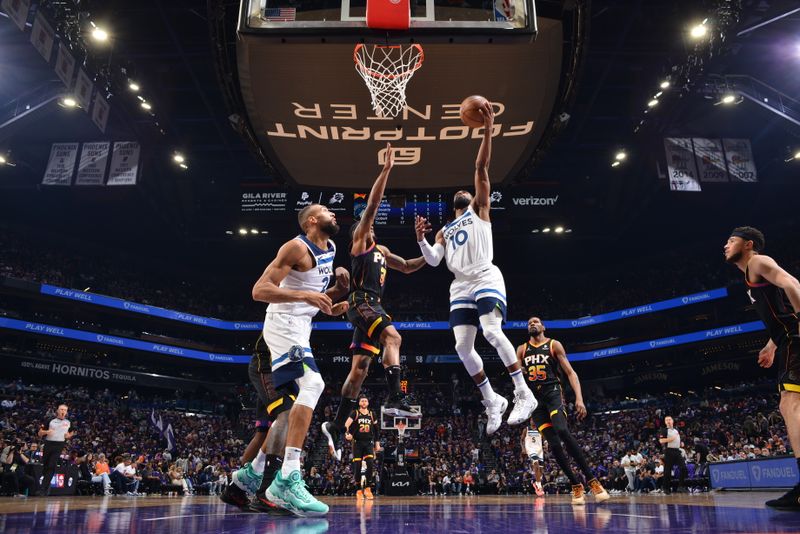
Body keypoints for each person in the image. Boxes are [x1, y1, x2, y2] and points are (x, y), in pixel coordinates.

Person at [415, 101, 537, 436]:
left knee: (492, 331)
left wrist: (487, 127)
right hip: (459, 285)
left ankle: (522, 393)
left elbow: (482, 166)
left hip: (485, 274)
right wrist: (422, 240)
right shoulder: (443, 230)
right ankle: (491, 400)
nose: (463, 190)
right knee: (461, 348)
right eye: (459, 193)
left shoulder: (480, 210)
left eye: (466, 191)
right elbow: (434, 260)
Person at [323, 143, 425, 460]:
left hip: (370, 306)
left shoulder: (381, 252)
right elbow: (372, 206)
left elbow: (408, 266)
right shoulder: (360, 246)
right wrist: (386, 170)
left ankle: (337, 425)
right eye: (367, 227)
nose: (371, 228)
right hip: (362, 302)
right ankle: (396, 395)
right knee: (393, 335)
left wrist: (434, 249)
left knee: (359, 371)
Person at [251, 201, 350, 516]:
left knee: (296, 401)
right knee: (314, 383)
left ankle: (250, 474)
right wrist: (303, 296)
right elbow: (259, 290)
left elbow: (314, 294)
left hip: (301, 327)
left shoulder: (331, 247)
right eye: (325, 211)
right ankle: (289, 476)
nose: (333, 213)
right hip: (282, 323)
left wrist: (336, 293)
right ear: (311, 220)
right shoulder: (295, 247)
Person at [724, 226, 800, 509]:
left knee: (790, 404)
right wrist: (771, 344)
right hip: (787, 340)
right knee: (789, 405)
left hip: (796, 339)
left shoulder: (758, 261)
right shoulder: (749, 276)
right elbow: (782, 311)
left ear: (748, 244)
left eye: (731, 241)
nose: (725, 245)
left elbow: (793, 284)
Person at [517, 317, 610, 505]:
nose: (532, 324)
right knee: (553, 444)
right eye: (529, 323)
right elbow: (515, 373)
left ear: (543, 327)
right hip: (535, 401)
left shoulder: (553, 344)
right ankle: (576, 484)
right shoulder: (521, 349)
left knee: (561, 430)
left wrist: (579, 399)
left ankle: (592, 480)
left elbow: (570, 373)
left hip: (553, 393)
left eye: (536, 322)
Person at [344, 395, 381, 500]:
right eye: (362, 401)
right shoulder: (355, 413)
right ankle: (358, 490)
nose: (364, 402)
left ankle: (368, 488)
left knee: (370, 464)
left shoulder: (372, 414)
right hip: (357, 443)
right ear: (359, 403)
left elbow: (376, 430)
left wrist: (377, 443)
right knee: (358, 466)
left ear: (368, 403)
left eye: (366, 401)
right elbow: (346, 425)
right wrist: (347, 434)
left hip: (368, 443)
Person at [36, 403, 74, 496]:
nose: (63, 411)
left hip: (59, 445)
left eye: (65, 410)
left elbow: (72, 431)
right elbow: (39, 433)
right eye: (61, 409)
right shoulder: (50, 420)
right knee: (46, 466)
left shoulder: (69, 422)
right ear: (57, 411)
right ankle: (46, 486)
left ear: (66, 412)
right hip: (49, 444)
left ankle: (43, 489)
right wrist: (46, 432)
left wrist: (69, 435)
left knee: (51, 466)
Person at [659, 416, 687, 494]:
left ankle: (680, 487)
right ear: (665, 422)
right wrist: (670, 439)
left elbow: (677, 439)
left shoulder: (676, 430)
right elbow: (661, 441)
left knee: (684, 468)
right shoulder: (664, 430)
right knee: (667, 471)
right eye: (666, 420)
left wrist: (680, 443)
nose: (668, 421)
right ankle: (666, 488)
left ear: (672, 421)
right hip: (669, 451)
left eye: (669, 419)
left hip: (677, 451)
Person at [521, 425, 545, 497]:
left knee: (541, 470)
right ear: (530, 421)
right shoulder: (526, 429)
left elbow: (543, 438)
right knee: (536, 465)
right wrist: (523, 448)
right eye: (532, 420)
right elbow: (522, 440)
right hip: (531, 450)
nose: (533, 421)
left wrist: (545, 443)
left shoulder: (540, 429)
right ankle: (539, 486)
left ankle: (536, 482)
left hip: (539, 450)